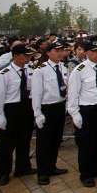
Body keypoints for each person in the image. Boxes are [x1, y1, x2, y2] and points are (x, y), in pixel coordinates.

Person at [67, 38, 97, 188]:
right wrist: (75, 114)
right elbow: (73, 94)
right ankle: (86, 174)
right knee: (87, 144)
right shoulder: (79, 71)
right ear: (87, 52)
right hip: (88, 110)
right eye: (94, 51)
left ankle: (96, 168)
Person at [0, 44, 37, 185]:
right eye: (25, 55)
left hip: (26, 108)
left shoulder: (30, 71)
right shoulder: (5, 74)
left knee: (24, 140)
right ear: (16, 56)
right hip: (10, 109)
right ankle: (3, 173)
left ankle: (22, 167)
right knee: (7, 144)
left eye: (29, 55)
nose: (28, 58)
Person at [31, 42, 69, 185]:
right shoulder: (40, 70)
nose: (59, 53)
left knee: (56, 139)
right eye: (56, 50)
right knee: (44, 142)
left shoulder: (62, 67)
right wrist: (37, 113)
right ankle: (43, 172)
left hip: (59, 106)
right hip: (46, 108)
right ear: (48, 53)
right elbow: (36, 93)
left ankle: (52, 166)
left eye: (61, 50)